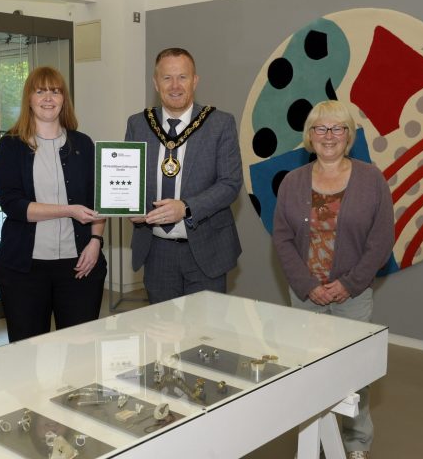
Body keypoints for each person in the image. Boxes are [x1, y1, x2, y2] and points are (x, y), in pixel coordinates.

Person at [272, 100, 395, 459]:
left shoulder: (372, 179)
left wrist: (349, 284)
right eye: (320, 128)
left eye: (337, 128)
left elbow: (381, 241)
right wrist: (309, 285)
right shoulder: (293, 182)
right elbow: (281, 238)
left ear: (349, 136)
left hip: (353, 297)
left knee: (354, 376)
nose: (329, 136)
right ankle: (310, 439)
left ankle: (356, 443)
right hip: (306, 295)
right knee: (308, 369)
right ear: (309, 136)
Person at [0, 66, 107, 343]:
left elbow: (99, 201)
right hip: (24, 270)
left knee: (81, 352)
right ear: (29, 98)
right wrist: (68, 210)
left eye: (55, 91)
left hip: (80, 265)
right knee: (26, 353)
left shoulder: (83, 144)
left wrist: (95, 242)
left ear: (63, 98)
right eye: (40, 91)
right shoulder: (10, 145)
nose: (48, 98)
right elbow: (14, 205)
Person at [125, 47, 243, 305]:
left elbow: (230, 184)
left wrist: (186, 208)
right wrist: (130, 206)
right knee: (162, 337)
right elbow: (131, 180)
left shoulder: (220, 123)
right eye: (167, 78)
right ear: (156, 83)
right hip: (156, 251)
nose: (175, 85)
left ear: (195, 80)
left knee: (205, 335)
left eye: (183, 77)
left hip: (206, 249)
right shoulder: (138, 124)